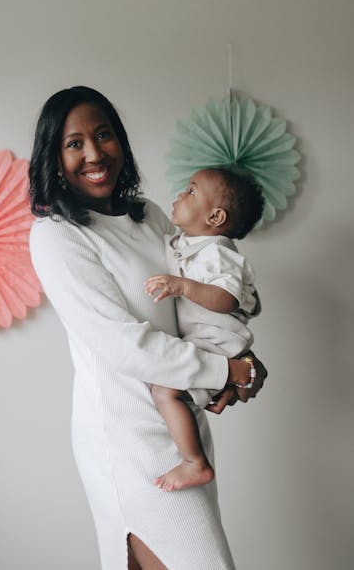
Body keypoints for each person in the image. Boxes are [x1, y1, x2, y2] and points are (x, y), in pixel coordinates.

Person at [28, 86, 267, 570]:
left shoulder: (151, 215)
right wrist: (223, 369)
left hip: (183, 428)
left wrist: (240, 358)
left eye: (104, 135)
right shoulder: (57, 234)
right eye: (74, 143)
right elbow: (124, 344)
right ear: (53, 156)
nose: (94, 153)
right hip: (128, 439)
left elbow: (200, 298)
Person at [145, 168, 264, 492]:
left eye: (191, 191)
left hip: (216, 338)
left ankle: (194, 462)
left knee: (164, 391)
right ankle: (192, 458)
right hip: (204, 336)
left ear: (215, 216)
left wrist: (184, 286)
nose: (180, 195)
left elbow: (226, 299)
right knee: (169, 392)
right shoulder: (187, 242)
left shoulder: (217, 254)